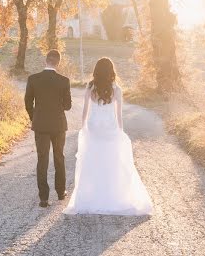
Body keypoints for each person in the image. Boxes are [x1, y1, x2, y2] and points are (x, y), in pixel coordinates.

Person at [64, 57, 153, 215]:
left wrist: (83, 126)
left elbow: (85, 109)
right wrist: (121, 131)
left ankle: (92, 195)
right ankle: (112, 195)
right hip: (110, 127)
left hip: (94, 127)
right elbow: (119, 114)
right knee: (112, 161)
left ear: (96, 71)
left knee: (93, 160)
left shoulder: (90, 86)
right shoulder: (116, 89)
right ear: (111, 71)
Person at [24, 49, 72, 207]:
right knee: (59, 157)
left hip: (41, 125)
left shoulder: (33, 79)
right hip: (58, 125)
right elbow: (68, 106)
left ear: (46, 60)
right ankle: (60, 192)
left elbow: (27, 102)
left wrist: (35, 117)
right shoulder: (64, 81)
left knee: (42, 159)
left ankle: (43, 198)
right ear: (58, 62)